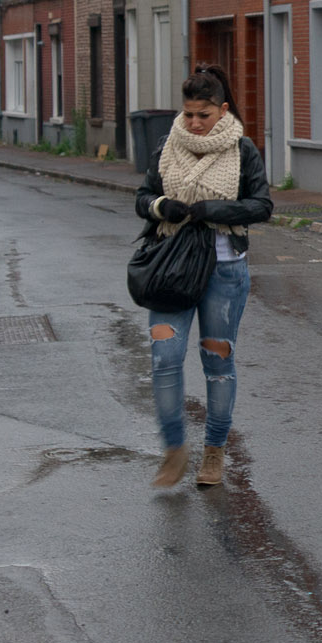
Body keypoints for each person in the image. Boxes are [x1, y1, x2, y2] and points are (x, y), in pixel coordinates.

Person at [134, 64, 272, 487]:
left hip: (224, 271)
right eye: (189, 114)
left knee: (217, 361)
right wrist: (162, 207)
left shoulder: (242, 150)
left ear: (222, 110)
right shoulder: (165, 147)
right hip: (171, 269)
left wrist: (214, 211)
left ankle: (214, 451)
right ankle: (174, 448)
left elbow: (262, 206)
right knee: (164, 359)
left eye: (203, 115)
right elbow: (142, 198)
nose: (194, 123)